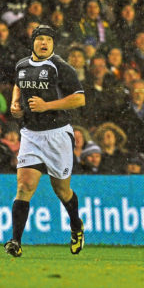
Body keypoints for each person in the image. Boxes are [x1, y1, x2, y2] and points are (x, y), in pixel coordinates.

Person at [5, 25, 85, 257]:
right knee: (24, 186)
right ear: (33, 42)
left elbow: (79, 99)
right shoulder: (22, 65)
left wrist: (47, 106)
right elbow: (18, 85)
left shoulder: (60, 67)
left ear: (53, 44)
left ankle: (76, 225)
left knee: (62, 190)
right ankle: (15, 241)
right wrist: (15, 104)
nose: (44, 43)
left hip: (57, 134)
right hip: (30, 134)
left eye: (48, 40)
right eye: (40, 39)